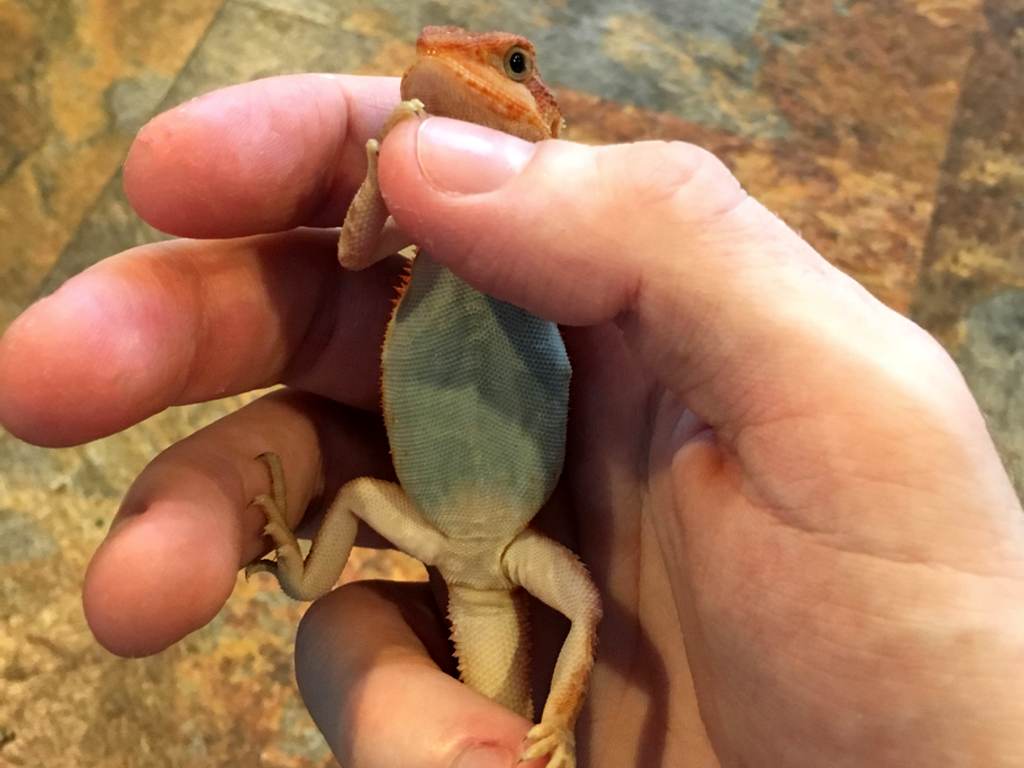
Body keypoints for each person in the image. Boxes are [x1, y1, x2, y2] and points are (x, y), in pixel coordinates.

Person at [0, 74, 1021, 768]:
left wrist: (565, 712)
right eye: (435, 72)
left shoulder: (544, 259)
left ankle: (557, 704)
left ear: (544, 119)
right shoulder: (409, 223)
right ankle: (298, 567)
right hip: (451, 527)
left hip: (502, 540)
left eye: (510, 65)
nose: (455, 76)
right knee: (351, 494)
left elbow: (585, 600)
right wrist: (371, 177)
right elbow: (356, 250)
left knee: (573, 605)